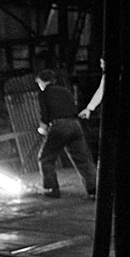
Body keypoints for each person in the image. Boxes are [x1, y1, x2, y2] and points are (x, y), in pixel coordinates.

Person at [35, 66, 97, 198]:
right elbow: (72, 108)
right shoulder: (65, 91)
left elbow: (44, 114)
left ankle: (51, 189)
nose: (39, 86)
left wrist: (43, 128)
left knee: (45, 158)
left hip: (59, 126)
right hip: (75, 125)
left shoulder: (44, 93)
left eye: (39, 83)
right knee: (83, 159)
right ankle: (94, 190)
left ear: (42, 82)